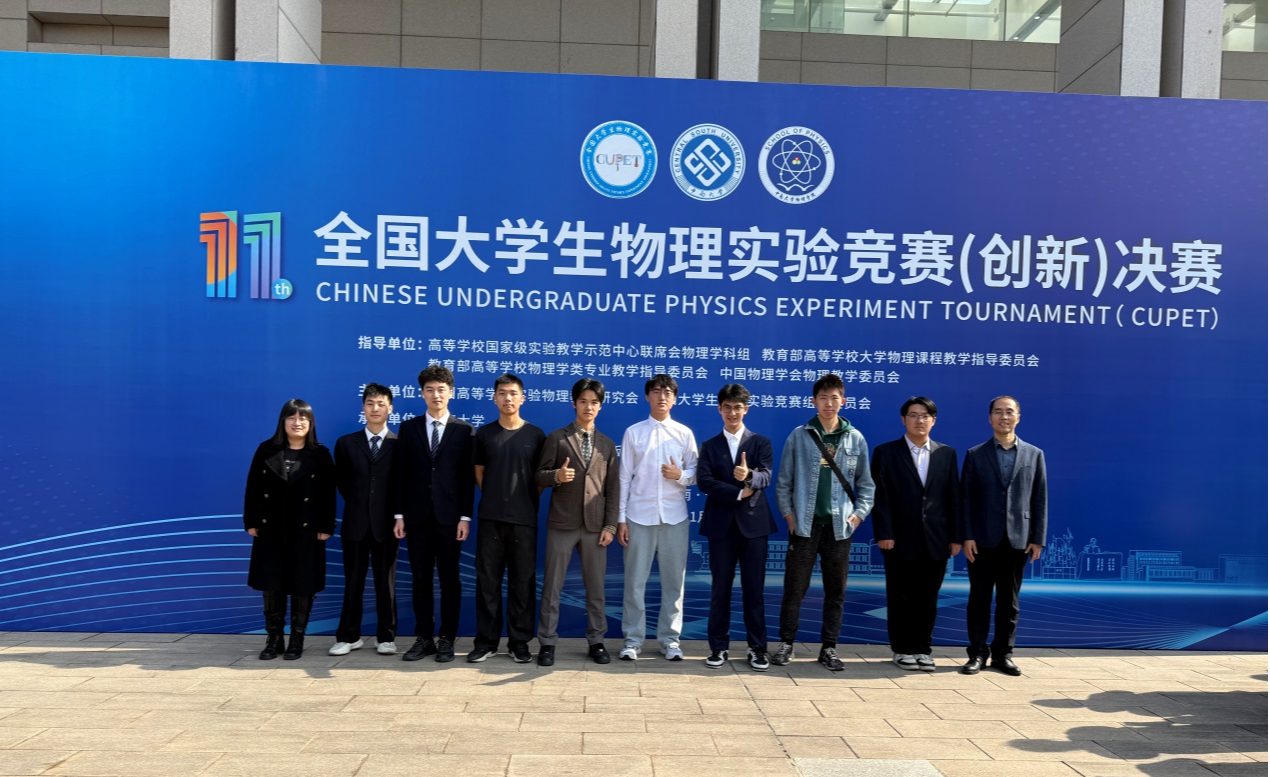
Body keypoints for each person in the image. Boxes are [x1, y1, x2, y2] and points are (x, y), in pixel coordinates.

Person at [773, 373, 874, 672]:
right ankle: (786, 644)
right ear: (813, 401)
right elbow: (783, 482)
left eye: (834, 398)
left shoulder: (855, 438)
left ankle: (829, 647)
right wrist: (789, 517)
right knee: (794, 589)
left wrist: (858, 514)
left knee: (835, 591)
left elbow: (866, 485)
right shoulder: (799, 436)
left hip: (839, 529)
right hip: (804, 527)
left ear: (843, 401)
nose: (829, 404)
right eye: (823, 398)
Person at [392, 364, 476, 663]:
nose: (436, 395)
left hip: (450, 519)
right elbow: (400, 475)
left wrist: (465, 517)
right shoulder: (409, 428)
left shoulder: (464, 430)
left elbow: (467, 478)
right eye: (430, 390)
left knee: (450, 580)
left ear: (451, 393)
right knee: (420, 579)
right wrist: (399, 515)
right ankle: (424, 638)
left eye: (441, 389)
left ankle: (447, 639)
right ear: (422, 393)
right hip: (416, 517)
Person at [870, 397, 961, 672]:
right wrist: (884, 532)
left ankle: (922, 649)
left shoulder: (946, 453)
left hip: (936, 539)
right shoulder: (886, 452)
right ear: (903, 420)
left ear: (933, 421)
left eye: (925, 415)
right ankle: (902, 649)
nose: (919, 420)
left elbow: (953, 498)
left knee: (928, 598)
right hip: (898, 538)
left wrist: (955, 537)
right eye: (913, 415)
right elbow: (880, 497)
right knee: (901, 597)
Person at [959, 395, 1048, 677]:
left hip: (1018, 539)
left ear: (1018, 417)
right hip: (981, 540)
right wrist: (967, 536)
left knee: (1010, 602)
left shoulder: (1034, 454)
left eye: (1009, 412)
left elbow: (1039, 498)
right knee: (979, 600)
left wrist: (1038, 538)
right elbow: (966, 499)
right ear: (990, 418)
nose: (1004, 417)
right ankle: (977, 653)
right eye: (998, 412)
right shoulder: (975, 454)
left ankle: (1003, 654)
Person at [534, 378, 619, 667]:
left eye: (594, 402)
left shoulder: (607, 445)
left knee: (595, 588)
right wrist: (556, 476)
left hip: (595, 527)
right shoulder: (557, 438)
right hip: (562, 523)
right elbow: (539, 475)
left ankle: (596, 641)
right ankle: (547, 642)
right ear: (574, 403)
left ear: (600, 406)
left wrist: (610, 526)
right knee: (552, 586)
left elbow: (613, 489)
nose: (588, 407)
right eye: (583, 401)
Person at [242, 399, 336, 660]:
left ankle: (297, 638)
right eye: (291, 418)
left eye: (303, 418)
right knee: (271, 584)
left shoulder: (320, 454)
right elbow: (252, 487)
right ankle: (274, 639)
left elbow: (328, 494)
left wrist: (326, 526)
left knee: (303, 583)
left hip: (307, 529)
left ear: (311, 423)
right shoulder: (266, 449)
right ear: (282, 422)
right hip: (270, 528)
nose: (297, 423)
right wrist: (251, 521)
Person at [696, 383, 777, 672]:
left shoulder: (761, 443)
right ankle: (718, 647)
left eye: (738, 407)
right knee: (721, 589)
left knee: (754, 591)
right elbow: (704, 481)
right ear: (720, 409)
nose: (733, 413)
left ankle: (757, 649)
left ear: (746, 409)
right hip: (721, 527)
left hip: (754, 527)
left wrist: (749, 476)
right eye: (727, 407)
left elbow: (766, 476)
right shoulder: (709, 446)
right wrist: (739, 492)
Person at [617, 374, 698, 661]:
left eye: (668, 392)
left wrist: (681, 475)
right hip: (639, 517)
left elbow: (697, 473)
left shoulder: (684, 434)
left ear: (675, 398)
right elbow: (624, 477)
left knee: (674, 584)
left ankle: (670, 640)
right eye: (656, 391)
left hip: (674, 518)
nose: (662, 397)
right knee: (634, 583)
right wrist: (621, 519)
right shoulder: (634, 433)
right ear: (647, 396)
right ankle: (632, 640)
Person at [468, 374, 547, 663]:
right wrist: (495, 496)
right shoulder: (484, 434)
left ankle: (519, 642)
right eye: (502, 393)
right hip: (490, 517)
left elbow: (540, 479)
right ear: (494, 398)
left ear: (522, 398)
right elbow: (479, 473)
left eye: (513, 393)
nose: (508, 398)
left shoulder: (536, 435)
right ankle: (486, 642)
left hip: (524, 520)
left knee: (522, 583)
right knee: (487, 582)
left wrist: (521, 500)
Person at [329, 384, 399, 657]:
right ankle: (348, 636)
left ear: (390, 408)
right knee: (353, 582)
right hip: (355, 523)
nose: (375, 409)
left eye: (381, 404)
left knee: (386, 583)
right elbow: (342, 482)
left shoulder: (399, 444)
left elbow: (402, 485)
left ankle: (386, 637)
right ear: (363, 408)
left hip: (387, 525)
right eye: (370, 403)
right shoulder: (346, 443)